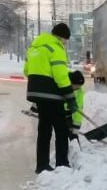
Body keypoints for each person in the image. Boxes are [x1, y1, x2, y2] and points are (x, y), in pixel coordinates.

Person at [24, 22, 77, 173]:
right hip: (51, 94)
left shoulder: (34, 47)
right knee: (62, 129)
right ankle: (62, 164)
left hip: (35, 92)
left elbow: (26, 71)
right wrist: (70, 98)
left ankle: (42, 165)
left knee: (44, 130)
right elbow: (60, 76)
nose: (65, 44)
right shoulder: (56, 48)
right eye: (65, 41)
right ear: (62, 37)